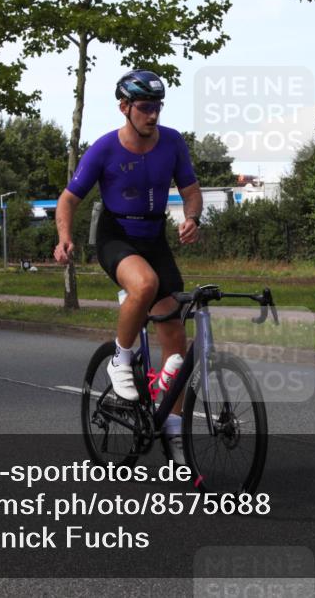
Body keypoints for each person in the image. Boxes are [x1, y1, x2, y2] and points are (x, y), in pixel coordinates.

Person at [53, 69, 203, 464]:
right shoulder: (104, 148)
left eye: (158, 107)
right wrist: (65, 237)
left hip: (154, 237)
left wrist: (192, 218)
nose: (153, 115)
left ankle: (172, 430)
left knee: (174, 333)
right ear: (125, 107)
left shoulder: (172, 143)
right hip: (116, 234)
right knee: (145, 284)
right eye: (145, 108)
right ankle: (121, 357)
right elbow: (68, 199)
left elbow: (190, 191)